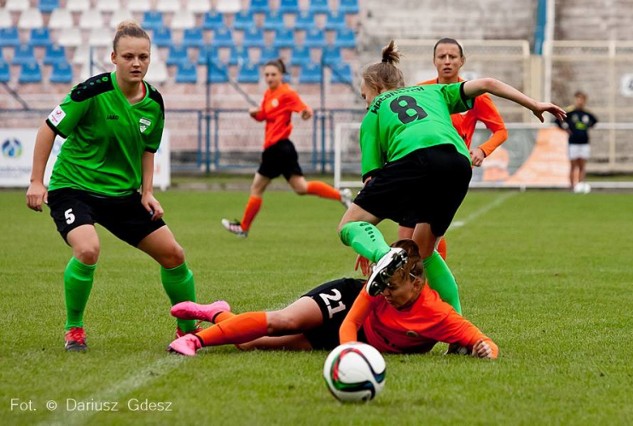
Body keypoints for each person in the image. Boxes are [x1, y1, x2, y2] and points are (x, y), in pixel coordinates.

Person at [337, 40, 566, 303]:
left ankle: (385, 257)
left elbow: (371, 182)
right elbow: (488, 83)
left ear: (374, 89)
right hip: (457, 163)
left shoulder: (374, 113)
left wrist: (370, 245)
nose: (366, 102)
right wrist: (534, 104)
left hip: (415, 159)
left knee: (349, 224)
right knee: (424, 253)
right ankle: (461, 334)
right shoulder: (434, 92)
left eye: (364, 95)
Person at [25, 21, 200, 351]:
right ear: (114, 58)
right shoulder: (90, 92)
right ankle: (74, 328)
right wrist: (37, 181)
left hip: (121, 194)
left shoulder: (153, 103)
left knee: (174, 255)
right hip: (72, 188)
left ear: (150, 60)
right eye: (129, 56)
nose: (137, 63)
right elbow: (48, 129)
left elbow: (148, 150)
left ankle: (188, 330)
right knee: (88, 249)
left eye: (143, 57)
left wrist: (147, 192)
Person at [168, 239, 498, 359]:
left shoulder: (437, 315)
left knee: (251, 344)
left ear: (417, 283)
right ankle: (196, 341)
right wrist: (348, 356)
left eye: (392, 288)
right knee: (286, 321)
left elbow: (480, 340)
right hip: (347, 301)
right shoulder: (374, 288)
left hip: (358, 337)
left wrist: (484, 349)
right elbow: (351, 321)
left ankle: (217, 314)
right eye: (382, 285)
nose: (384, 292)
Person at [221, 59, 352, 238]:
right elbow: (264, 115)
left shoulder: (286, 93)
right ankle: (340, 195)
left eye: (273, 74)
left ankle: (243, 227)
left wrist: (306, 113)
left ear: (281, 75)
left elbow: (304, 108)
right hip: (282, 149)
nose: (269, 77)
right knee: (301, 187)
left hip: (278, 148)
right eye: (266, 74)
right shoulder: (269, 94)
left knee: (257, 188)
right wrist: (255, 113)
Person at [555, 91, 598, 191]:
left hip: (584, 142)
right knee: (573, 165)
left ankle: (580, 185)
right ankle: (571, 186)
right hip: (573, 142)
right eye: (578, 99)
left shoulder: (587, 113)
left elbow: (595, 121)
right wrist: (565, 128)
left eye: (582, 99)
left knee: (582, 165)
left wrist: (587, 127)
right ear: (575, 99)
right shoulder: (570, 112)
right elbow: (558, 120)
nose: (580, 101)